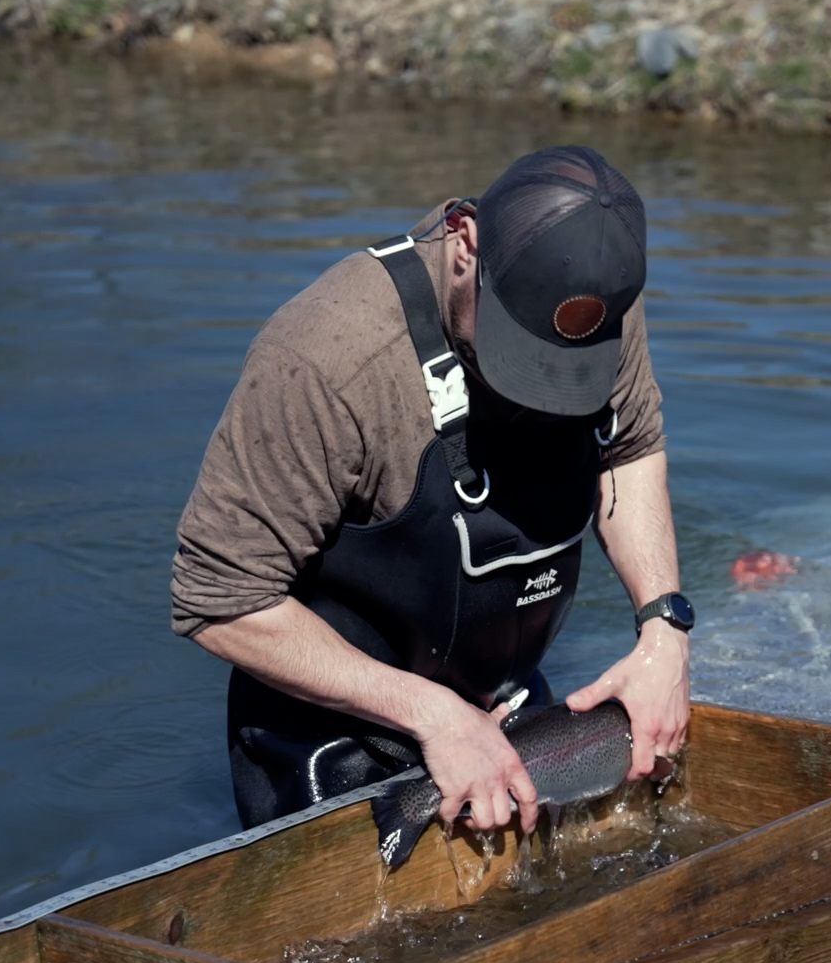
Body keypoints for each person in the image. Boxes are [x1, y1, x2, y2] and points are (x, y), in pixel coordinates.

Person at [169, 146, 694, 833]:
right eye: (520, 349)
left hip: (503, 708)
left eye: (565, 368)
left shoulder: (593, 299)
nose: (542, 384)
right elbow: (218, 601)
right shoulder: (326, 360)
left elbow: (629, 449)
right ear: (465, 243)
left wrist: (664, 631)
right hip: (332, 737)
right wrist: (432, 715)